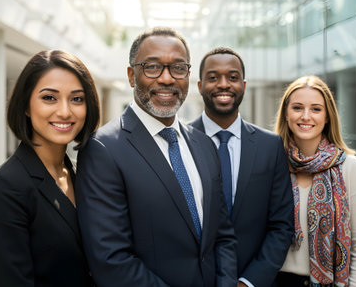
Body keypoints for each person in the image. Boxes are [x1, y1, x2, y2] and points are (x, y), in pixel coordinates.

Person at [75, 27, 237, 287]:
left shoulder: (204, 144)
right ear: (131, 75)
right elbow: (111, 259)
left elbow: (222, 235)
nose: (166, 79)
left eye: (178, 68)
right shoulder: (102, 149)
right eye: (152, 67)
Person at [0, 50, 100, 287]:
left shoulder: (81, 173)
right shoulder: (4, 189)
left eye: (76, 99)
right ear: (25, 105)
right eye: (49, 98)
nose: (65, 111)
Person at [189, 47, 294, 287]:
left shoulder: (271, 146)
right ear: (199, 86)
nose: (223, 84)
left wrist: (249, 281)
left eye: (232, 77)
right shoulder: (180, 142)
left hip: (253, 279)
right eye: (213, 77)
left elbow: (281, 225)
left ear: (243, 85)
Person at [274, 75, 356, 286]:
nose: (306, 116)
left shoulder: (351, 168)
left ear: (328, 116)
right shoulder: (272, 163)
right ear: (286, 113)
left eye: (316, 109)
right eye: (298, 108)